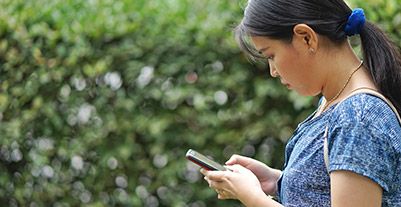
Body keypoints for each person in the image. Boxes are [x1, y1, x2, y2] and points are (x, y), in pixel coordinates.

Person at [200, 0, 401, 206]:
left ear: (306, 38)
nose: (273, 71)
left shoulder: (357, 117)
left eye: (271, 55)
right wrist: (278, 181)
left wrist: (253, 198)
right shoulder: (336, 101)